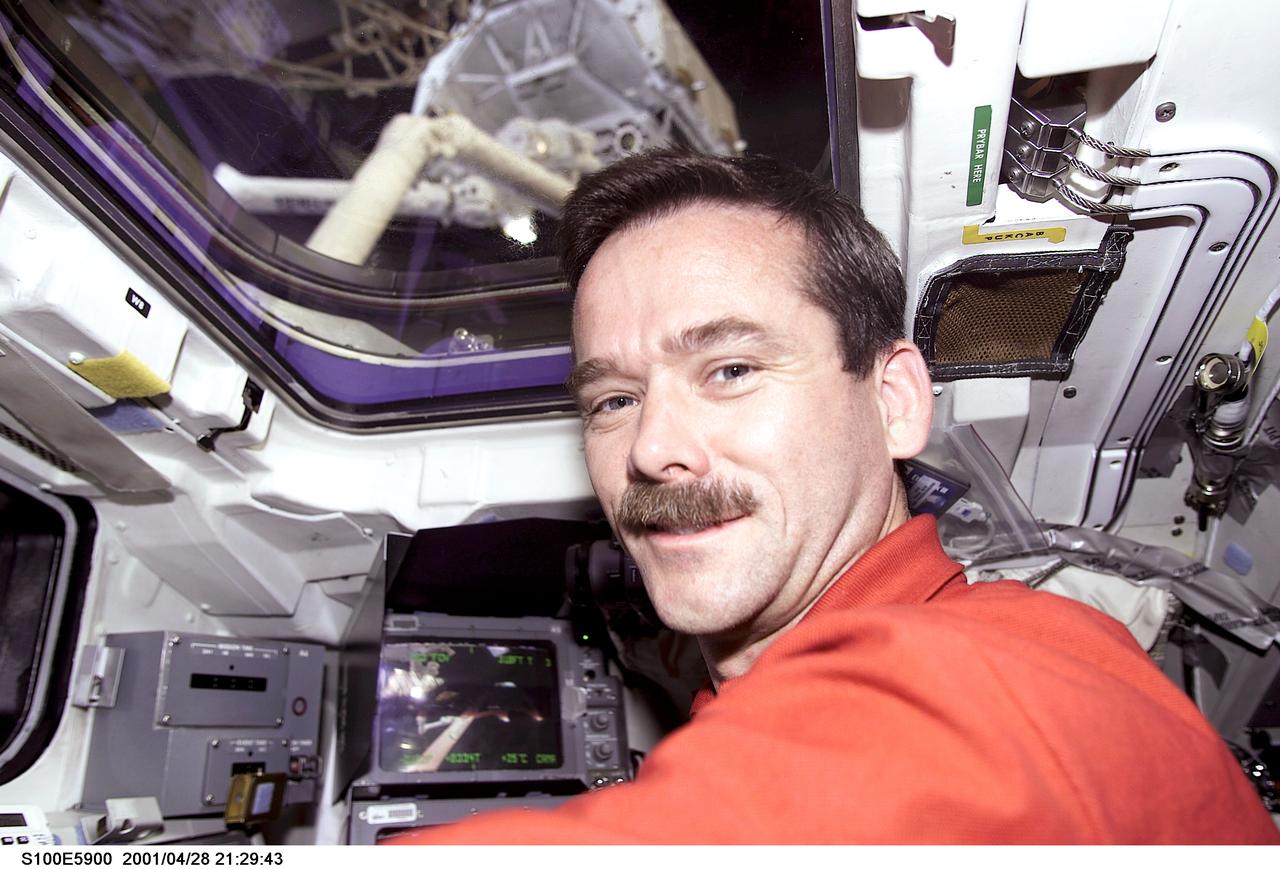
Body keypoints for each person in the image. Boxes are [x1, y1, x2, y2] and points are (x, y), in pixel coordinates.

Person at [387, 149, 1280, 844]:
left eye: (730, 369)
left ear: (893, 401)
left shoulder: (984, 677)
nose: (652, 449)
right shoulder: (782, 678)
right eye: (614, 400)